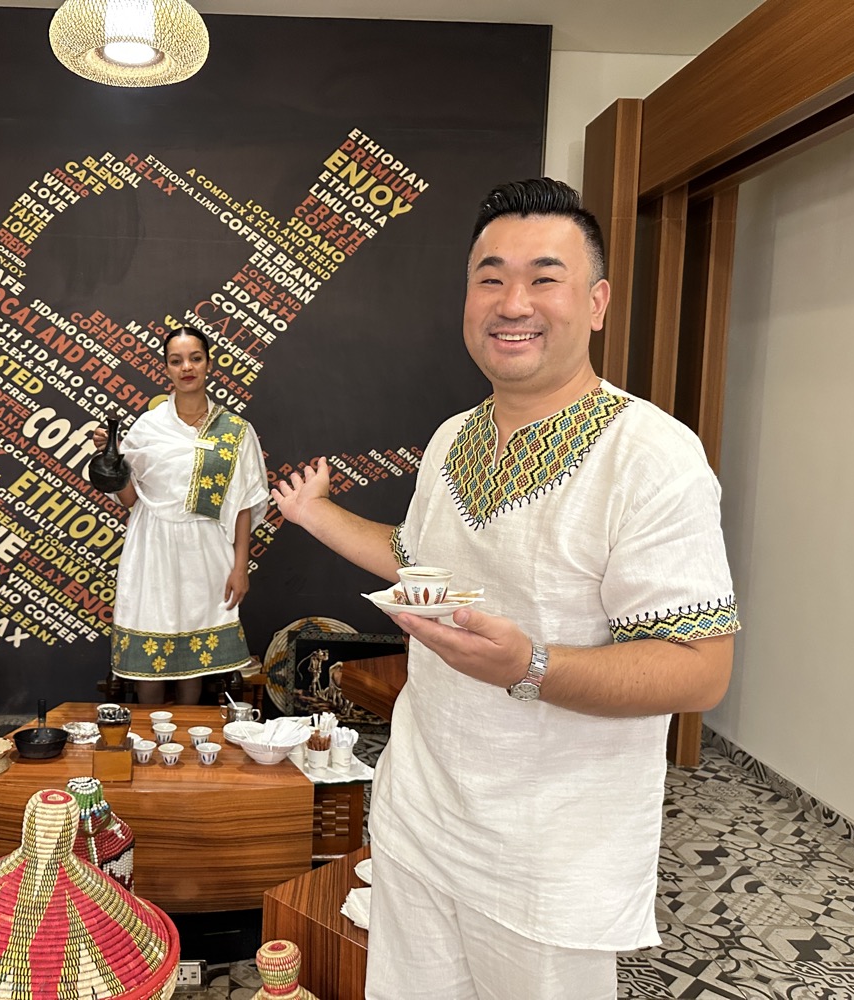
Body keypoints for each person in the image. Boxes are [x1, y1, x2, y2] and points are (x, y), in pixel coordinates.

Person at [271, 178, 738, 1000]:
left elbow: (699, 668)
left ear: (594, 303)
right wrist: (315, 515)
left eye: (543, 277)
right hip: (420, 810)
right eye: (489, 277)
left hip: (547, 854)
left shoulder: (651, 456)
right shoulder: (455, 436)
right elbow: (424, 567)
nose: (511, 301)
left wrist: (531, 665)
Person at [95, 324, 269, 706]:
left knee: (195, 660)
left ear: (209, 363)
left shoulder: (236, 431)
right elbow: (129, 499)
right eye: (176, 361)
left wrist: (240, 567)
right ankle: (148, 745)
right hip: (152, 546)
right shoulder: (149, 427)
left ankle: (187, 748)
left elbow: (242, 504)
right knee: (150, 653)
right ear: (167, 369)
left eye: (195, 358)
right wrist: (110, 459)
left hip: (205, 549)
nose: (186, 367)